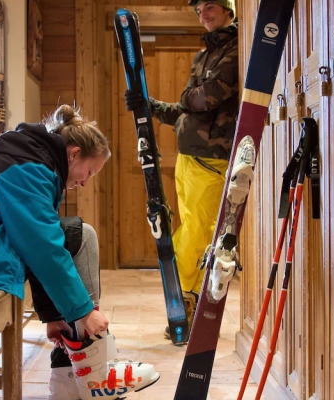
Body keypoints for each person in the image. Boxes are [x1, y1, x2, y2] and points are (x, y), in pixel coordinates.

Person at [0, 104, 159, 399]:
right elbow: (40, 247)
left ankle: (68, 374)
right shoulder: (29, 169)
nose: (85, 183)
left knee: (72, 235)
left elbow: (33, 238)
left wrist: (53, 316)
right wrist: (83, 312)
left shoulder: (34, 163)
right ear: (74, 153)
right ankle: (94, 368)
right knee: (78, 237)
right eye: (89, 171)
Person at [125, 0, 239, 335]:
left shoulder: (238, 47)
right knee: (190, 227)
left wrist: (190, 97)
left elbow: (209, 97)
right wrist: (151, 106)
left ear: (228, 8)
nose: (204, 14)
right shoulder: (203, 56)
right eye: (199, 9)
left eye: (210, 6)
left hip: (214, 161)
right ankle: (188, 298)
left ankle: (187, 298)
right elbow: (188, 108)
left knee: (198, 233)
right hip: (188, 158)